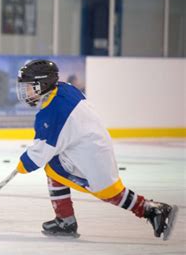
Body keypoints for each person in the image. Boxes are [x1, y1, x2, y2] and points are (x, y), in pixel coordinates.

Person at [15, 59, 178, 240]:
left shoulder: (52, 113)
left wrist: (22, 165)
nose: (25, 91)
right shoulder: (62, 89)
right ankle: (65, 220)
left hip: (90, 155)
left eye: (29, 86)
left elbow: (38, 155)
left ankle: (151, 210)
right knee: (54, 167)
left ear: (43, 84)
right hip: (87, 145)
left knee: (110, 193)